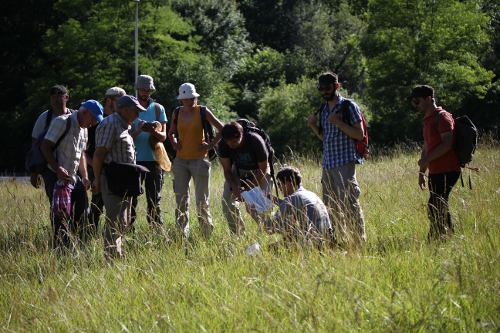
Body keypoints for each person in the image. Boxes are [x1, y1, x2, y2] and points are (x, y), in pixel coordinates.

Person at [307, 72, 366, 244]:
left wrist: (339, 122)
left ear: (336, 87)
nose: (324, 91)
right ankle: (337, 241)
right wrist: (313, 126)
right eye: (321, 88)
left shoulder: (349, 106)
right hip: (328, 164)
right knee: (330, 207)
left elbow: (360, 134)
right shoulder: (323, 108)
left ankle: (358, 243)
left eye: (328, 88)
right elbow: (325, 136)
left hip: (344, 163)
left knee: (350, 205)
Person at [40, 100, 103, 247]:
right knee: (60, 218)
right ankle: (61, 252)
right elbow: (44, 146)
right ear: (85, 113)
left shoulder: (84, 129)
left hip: (74, 178)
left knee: (83, 215)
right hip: (56, 177)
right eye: (94, 119)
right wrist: (57, 168)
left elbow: (81, 154)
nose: (94, 123)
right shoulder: (61, 122)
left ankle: (78, 249)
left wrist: (85, 176)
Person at [92, 95, 146, 256]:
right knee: (114, 220)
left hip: (124, 180)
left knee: (123, 220)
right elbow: (99, 154)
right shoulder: (110, 124)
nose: (138, 116)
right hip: (112, 179)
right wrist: (97, 180)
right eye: (136, 112)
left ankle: (117, 255)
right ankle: (111, 258)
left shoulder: (123, 125)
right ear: (126, 109)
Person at [168, 83, 223, 238]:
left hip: (200, 161)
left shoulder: (203, 111)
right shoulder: (176, 112)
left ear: (195, 97)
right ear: (181, 99)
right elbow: (171, 133)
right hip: (180, 162)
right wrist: (173, 143)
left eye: (191, 97)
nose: (189, 100)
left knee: (202, 202)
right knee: (181, 200)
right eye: (185, 98)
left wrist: (211, 144)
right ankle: (181, 235)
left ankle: (206, 235)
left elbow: (222, 128)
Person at [408, 85, 461, 241]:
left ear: (429, 99)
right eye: (413, 102)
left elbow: (447, 144)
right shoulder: (428, 120)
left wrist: (426, 160)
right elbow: (427, 148)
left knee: (434, 205)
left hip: (448, 169)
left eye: (417, 101)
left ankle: (436, 238)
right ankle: (447, 237)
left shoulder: (443, 117)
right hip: (436, 170)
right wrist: (421, 173)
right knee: (439, 204)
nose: (415, 105)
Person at [246, 166, 332, 247]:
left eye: (279, 184)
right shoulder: (311, 195)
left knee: (264, 250)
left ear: (288, 184)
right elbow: (296, 206)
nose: (279, 187)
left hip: (310, 245)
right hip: (326, 241)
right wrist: (273, 199)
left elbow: (269, 229)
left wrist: (252, 213)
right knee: (286, 236)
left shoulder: (291, 199)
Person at [219, 121, 274, 235]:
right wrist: (235, 187)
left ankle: (268, 232)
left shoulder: (256, 141)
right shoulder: (223, 144)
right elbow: (227, 171)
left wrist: (246, 191)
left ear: (241, 135)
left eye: (234, 142)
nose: (231, 146)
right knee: (227, 200)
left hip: (259, 170)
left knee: (264, 204)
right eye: (228, 143)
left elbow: (263, 170)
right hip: (239, 170)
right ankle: (238, 234)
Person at [85, 87, 126, 235]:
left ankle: (115, 235)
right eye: (119, 101)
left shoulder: (121, 120)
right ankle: (90, 236)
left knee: (117, 207)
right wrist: (96, 171)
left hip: (115, 172)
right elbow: (84, 150)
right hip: (96, 170)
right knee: (96, 205)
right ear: (109, 100)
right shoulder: (94, 120)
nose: (123, 105)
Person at [130, 75, 167, 229]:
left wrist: (153, 131)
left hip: (154, 159)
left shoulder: (158, 108)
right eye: (143, 90)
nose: (146, 93)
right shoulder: (129, 107)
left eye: (148, 90)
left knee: (154, 199)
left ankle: (156, 230)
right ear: (137, 89)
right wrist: (139, 131)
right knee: (131, 198)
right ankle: (127, 229)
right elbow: (123, 137)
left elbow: (163, 136)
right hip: (133, 159)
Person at [30, 85, 75, 205]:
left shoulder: (74, 116)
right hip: (50, 170)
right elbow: (35, 145)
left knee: (76, 205)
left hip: (73, 170)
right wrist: (34, 172)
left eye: (58, 97)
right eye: (52, 97)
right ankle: (58, 225)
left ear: (66, 97)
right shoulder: (44, 118)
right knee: (57, 206)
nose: (55, 100)